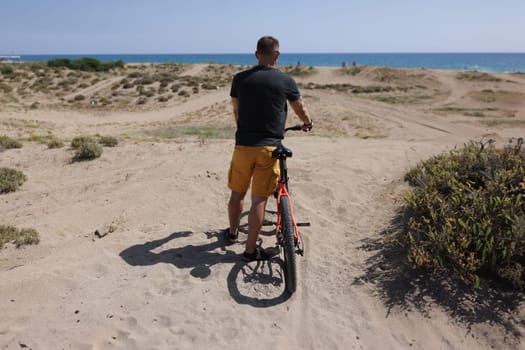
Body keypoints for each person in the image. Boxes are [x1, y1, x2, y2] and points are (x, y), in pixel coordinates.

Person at [226, 35, 313, 262]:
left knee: (237, 193)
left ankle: (232, 233)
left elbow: (236, 110)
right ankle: (250, 251)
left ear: (256, 54)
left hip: (243, 145)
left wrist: (244, 130)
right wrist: (307, 122)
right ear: (277, 55)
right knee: (259, 200)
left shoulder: (239, 79)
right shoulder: (285, 80)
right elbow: (299, 108)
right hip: (268, 148)